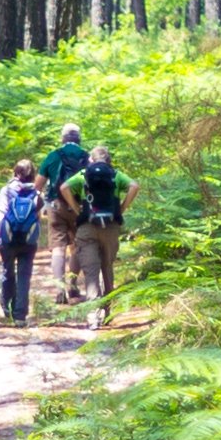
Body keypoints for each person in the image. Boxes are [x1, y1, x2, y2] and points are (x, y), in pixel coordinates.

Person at [74, 136, 126, 318]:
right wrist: (122, 208)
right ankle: (107, 311)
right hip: (111, 226)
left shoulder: (83, 175)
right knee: (107, 267)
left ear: (91, 159)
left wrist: (77, 209)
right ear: (108, 159)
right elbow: (134, 186)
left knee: (91, 271)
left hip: (87, 226)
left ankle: (92, 315)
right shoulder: (115, 175)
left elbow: (64, 187)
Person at [0, 152, 46, 325]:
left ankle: (6, 304)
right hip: (28, 240)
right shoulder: (37, 194)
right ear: (32, 175)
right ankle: (20, 316)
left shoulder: (7, 191)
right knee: (24, 275)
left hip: (8, 238)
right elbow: (38, 216)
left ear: (16, 173)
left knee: (8, 271)